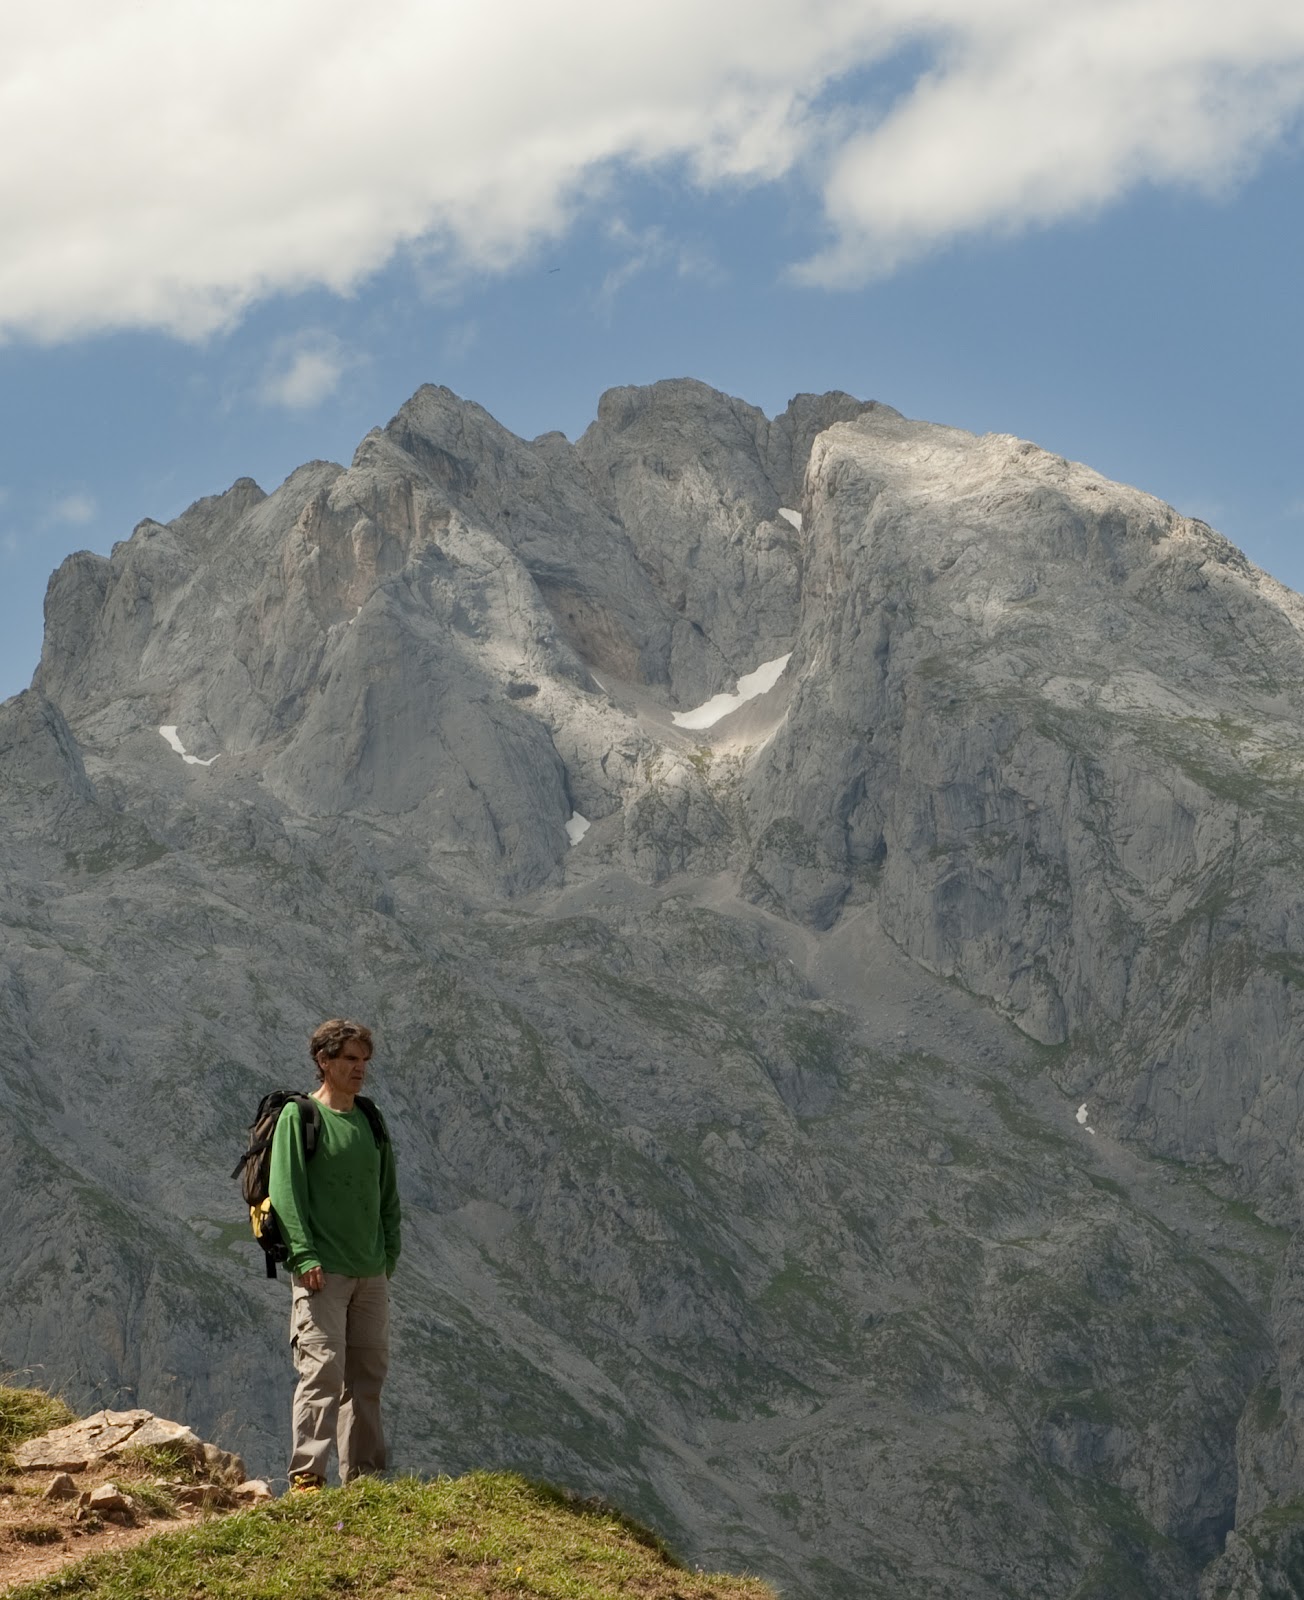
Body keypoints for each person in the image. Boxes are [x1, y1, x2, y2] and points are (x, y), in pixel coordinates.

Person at [268, 1018, 401, 1490]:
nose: (360, 1069)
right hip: (322, 1273)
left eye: (364, 1060)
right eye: (350, 1059)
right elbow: (285, 1192)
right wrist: (303, 1257)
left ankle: (363, 1481)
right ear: (323, 1061)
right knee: (322, 1373)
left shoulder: (370, 1118)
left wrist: (389, 1251)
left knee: (367, 1377)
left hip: (370, 1273)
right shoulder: (299, 1117)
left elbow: (386, 1190)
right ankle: (308, 1478)